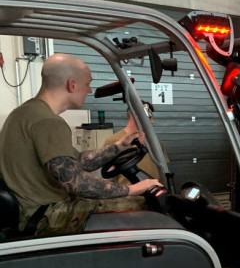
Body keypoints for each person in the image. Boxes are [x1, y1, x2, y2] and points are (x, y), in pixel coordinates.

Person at [0, 53, 162, 235]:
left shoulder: (24, 113)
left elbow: (75, 161)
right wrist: (131, 189)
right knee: (147, 204)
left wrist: (119, 146)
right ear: (72, 84)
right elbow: (76, 183)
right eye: (87, 84)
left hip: (31, 210)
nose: (90, 90)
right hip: (44, 215)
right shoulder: (48, 122)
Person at [103, 100, 167, 182]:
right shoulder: (114, 141)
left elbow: (163, 169)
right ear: (136, 116)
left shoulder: (155, 141)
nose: (152, 121)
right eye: (149, 117)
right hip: (129, 194)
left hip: (153, 192)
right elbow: (108, 177)